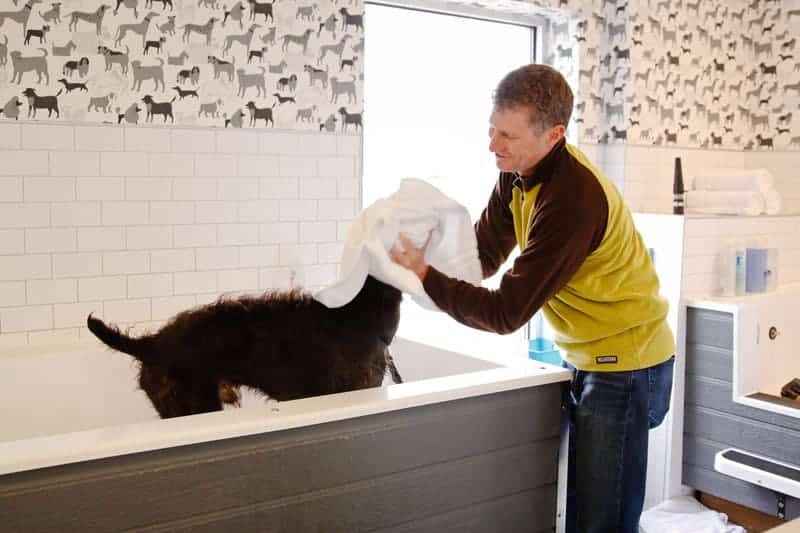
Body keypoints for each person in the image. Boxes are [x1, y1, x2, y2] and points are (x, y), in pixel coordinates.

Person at [389, 64, 675, 533]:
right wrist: (426, 252)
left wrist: (425, 275)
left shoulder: (573, 200)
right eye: (492, 129)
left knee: (600, 521)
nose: (493, 145)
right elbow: (483, 255)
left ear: (553, 134)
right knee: (586, 509)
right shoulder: (518, 172)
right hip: (585, 352)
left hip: (627, 360)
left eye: (507, 135)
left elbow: (506, 312)